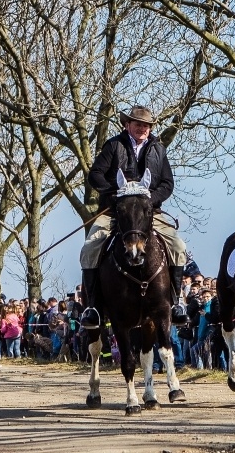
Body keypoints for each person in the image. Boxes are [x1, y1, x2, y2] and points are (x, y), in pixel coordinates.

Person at [79, 105, 187, 326]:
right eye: (138, 124)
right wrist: (115, 195)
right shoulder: (113, 145)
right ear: (127, 124)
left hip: (149, 213)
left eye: (146, 125)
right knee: (90, 248)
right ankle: (92, 308)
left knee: (178, 246)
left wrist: (150, 199)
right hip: (114, 211)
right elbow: (95, 175)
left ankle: (176, 303)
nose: (143, 129)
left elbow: (167, 183)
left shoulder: (159, 149)